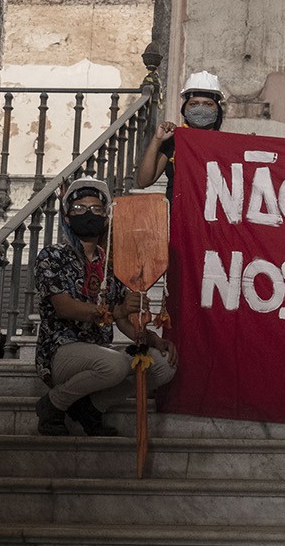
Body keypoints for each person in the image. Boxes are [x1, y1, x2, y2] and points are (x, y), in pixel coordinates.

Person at [34, 177, 178, 436]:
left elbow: (123, 320)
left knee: (162, 365)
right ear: (67, 217)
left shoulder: (113, 266)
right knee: (115, 365)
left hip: (101, 352)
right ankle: (54, 404)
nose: (88, 214)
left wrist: (154, 340)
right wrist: (115, 311)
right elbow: (64, 307)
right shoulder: (52, 256)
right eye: (79, 209)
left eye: (96, 209)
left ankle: (91, 409)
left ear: (106, 217)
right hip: (60, 351)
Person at [136, 70, 224, 197]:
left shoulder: (226, 144)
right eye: (193, 104)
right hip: (178, 208)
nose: (200, 108)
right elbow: (143, 181)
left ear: (218, 110)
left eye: (208, 104)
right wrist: (157, 140)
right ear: (185, 109)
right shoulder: (174, 141)